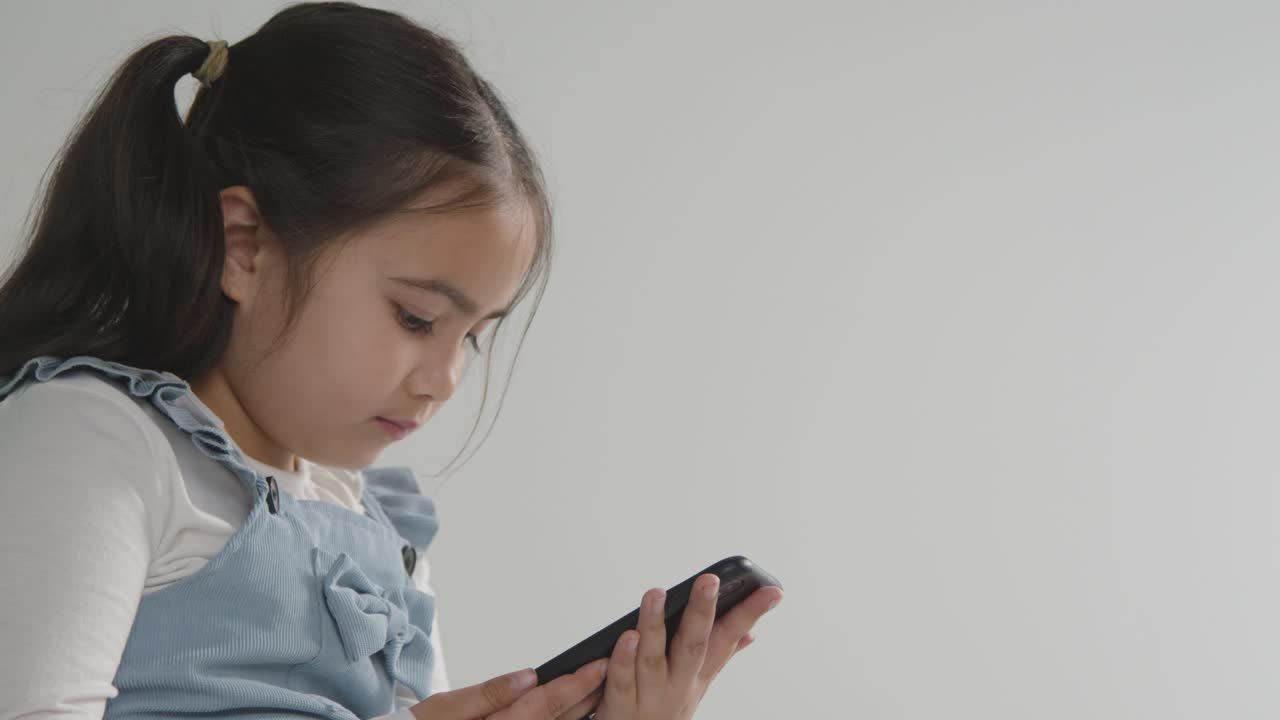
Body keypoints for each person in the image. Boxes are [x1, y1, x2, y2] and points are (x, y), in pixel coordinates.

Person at [0, 3, 782, 719]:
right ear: (244, 246)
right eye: (417, 318)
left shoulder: (381, 538)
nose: (444, 381)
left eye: (471, 337)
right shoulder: (96, 441)